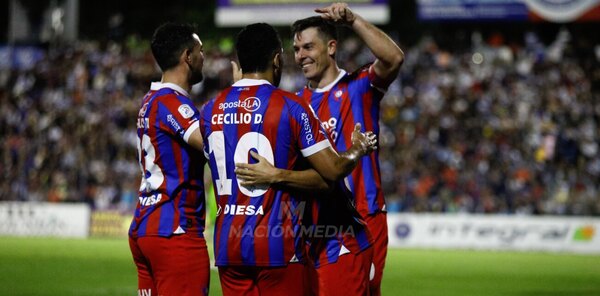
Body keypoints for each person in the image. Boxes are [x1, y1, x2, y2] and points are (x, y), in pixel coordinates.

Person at [236, 3, 404, 295]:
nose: (301, 56)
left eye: (308, 47)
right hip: (311, 225)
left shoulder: (358, 87)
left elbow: (394, 58)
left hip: (362, 217)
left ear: (331, 47)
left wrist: (352, 20)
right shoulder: (295, 103)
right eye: (297, 49)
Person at [199, 22, 377, 296]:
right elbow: (332, 172)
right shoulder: (291, 106)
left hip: (228, 246)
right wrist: (357, 148)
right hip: (275, 244)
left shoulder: (210, 110)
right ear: (277, 59)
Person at [128, 23, 209, 296]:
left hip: (146, 226)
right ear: (187, 56)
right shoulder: (171, 102)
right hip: (175, 230)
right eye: (200, 50)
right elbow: (210, 144)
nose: (204, 56)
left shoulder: (150, 100)